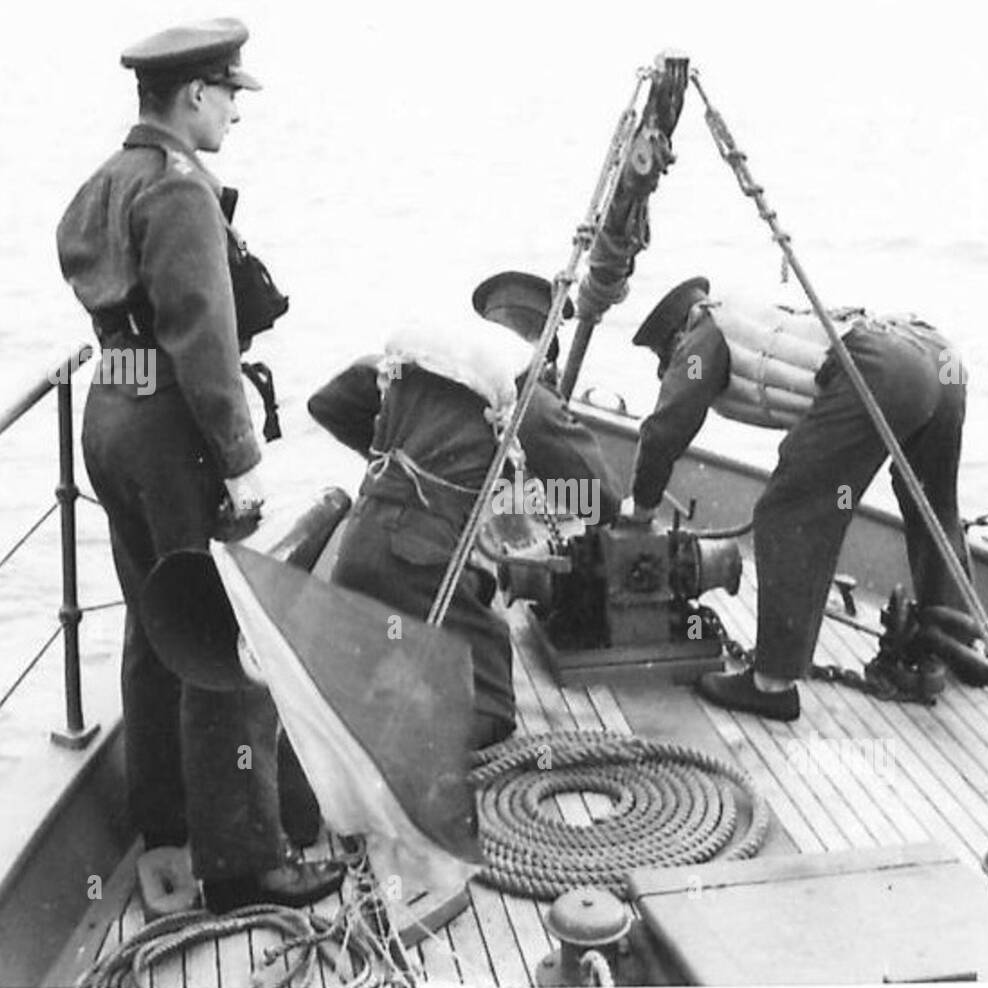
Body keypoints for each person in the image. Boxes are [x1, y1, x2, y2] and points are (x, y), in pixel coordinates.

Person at [56, 18, 340, 912]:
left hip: (110, 413)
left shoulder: (109, 177)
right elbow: (203, 338)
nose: (235, 114)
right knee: (220, 638)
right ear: (192, 96)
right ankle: (244, 860)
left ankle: (166, 823)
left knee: (153, 622)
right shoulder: (180, 191)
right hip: (172, 431)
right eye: (228, 95)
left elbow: (80, 260)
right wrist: (241, 456)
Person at [623, 277, 970, 720]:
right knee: (931, 501)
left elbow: (666, 426)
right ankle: (956, 643)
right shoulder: (751, 314)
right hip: (935, 355)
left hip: (886, 367)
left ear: (676, 333)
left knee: (789, 510)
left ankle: (771, 684)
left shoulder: (702, 336)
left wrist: (641, 508)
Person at [307, 272, 622, 747]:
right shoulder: (522, 395)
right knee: (493, 708)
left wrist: (404, 471)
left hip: (361, 545)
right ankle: (405, 756)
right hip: (422, 563)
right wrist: (534, 496)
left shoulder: (417, 366)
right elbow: (601, 498)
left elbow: (328, 403)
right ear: (544, 342)